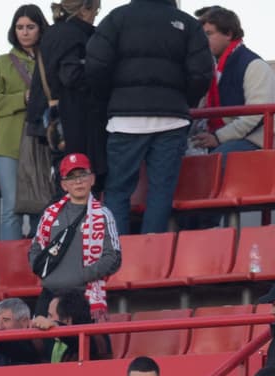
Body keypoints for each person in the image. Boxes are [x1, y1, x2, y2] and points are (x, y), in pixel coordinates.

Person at [84, 0, 213, 236]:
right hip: (172, 120)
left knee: (117, 191)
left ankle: (118, 253)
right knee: (161, 192)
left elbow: (96, 65)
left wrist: (111, 99)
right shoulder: (187, 23)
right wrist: (183, 101)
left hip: (125, 121)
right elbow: (202, 73)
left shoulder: (117, 18)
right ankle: (152, 253)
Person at [28, 153, 121, 321]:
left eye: (83, 175)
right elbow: (35, 247)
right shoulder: (49, 214)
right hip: (48, 294)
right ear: (64, 185)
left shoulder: (103, 215)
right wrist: (42, 271)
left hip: (82, 296)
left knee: (82, 339)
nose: (78, 181)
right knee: (41, 337)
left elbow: (113, 257)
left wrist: (81, 276)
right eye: (71, 177)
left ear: (92, 179)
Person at [0, 5, 48, 242]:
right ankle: (10, 262)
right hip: (7, 143)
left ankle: (39, 259)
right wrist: (21, 98)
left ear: (40, 29)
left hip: (41, 141)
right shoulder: (2, 62)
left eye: (30, 27)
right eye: (20, 27)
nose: (24, 32)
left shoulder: (49, 61)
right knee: (11, 206)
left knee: (41, 204)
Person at [40, 0, 108, 190]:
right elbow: (71, 76)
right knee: (81, 184)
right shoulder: (76, 35)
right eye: (96, 11)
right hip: (78, 122)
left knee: (65, 183)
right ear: (84, 10)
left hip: (55, 120)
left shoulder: (51, 33)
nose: (95, 16)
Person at [190, 6, 275, 156]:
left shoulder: (254, 65)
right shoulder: (210, 67)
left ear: (228, 34)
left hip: (251, 140)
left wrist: (218, 137)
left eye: (209, 34)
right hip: (216, 137)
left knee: (211, 163)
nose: (203, 41)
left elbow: (255, 116)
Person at [31, 289, 112, 362]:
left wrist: (55, 325)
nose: (47, 319)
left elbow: (80, 341)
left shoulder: (97, 338)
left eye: (50, 316)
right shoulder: (59, 342)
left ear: (67, 320)